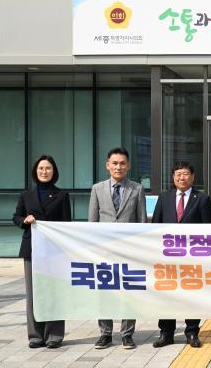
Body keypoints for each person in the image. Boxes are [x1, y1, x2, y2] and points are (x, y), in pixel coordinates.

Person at [88, 147, 147, 350]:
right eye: (114, 163)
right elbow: (92, 222)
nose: (118, 167)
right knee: (104, 292)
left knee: (129, 292)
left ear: (128, 165)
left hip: (129, 251)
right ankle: (105, 334)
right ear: (107, 165)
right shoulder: (97, 189)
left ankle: (127, 334)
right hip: (104, 252)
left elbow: (141, 222)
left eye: (122, 163)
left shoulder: (137, 189)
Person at [151, 161, 211, 349]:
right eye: (178, 174)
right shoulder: (165, 197)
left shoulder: (201, 198)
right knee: (166, 294)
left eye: (186, 174)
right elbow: (155, 225)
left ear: (192, 177)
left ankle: (192, 332)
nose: (182, 178)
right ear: (173, 177)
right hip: (167, 257)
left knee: (192, 294)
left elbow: (208, 229)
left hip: (192, 257)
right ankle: (166, 333)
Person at [13, 155, 71, 349]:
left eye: (48, 168)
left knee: (54, 291)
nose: (44, 172)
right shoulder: (26, 195)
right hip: (31, 249)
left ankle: (54, 335)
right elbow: (16, 217)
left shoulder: (62, 195)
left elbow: (66, 225)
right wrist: (24, 220)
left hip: (54, 251)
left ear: (54, 171)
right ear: (35, 171)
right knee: (33, 293)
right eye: (41, 168)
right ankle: (35, 336)